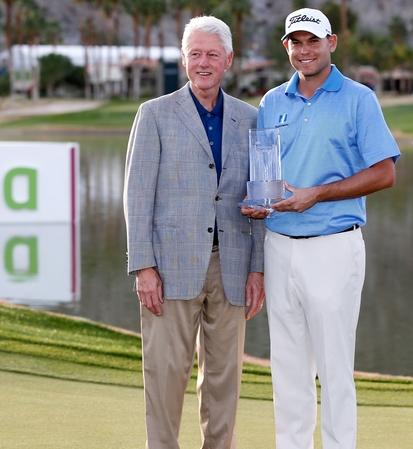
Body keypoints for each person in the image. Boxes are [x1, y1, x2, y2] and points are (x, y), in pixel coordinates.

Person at [242, 8, 401, 449]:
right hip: (279, 245)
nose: (304, 50)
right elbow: (267, 174)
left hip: (333, 247)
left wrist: (316, 193)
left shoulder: (358, 99)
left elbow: (385, 172)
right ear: (286, 47)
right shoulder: (272, 101)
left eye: (313, 41)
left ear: (331, 43)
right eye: (296, 41)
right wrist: (260, 203)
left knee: (333, 368)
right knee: (288, 367)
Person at [124, 15, 266, 449]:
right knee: (165, 377)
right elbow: (137, 196)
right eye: (195, 54)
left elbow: (260, 200)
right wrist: (143, 266)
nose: (203, 63)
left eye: (212, 55)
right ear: (185, 59)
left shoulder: (251, 119)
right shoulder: (154, 115)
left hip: (233, 267)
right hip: (169, 268)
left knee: (224, 380)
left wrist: (258, 268)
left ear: (228, 60)